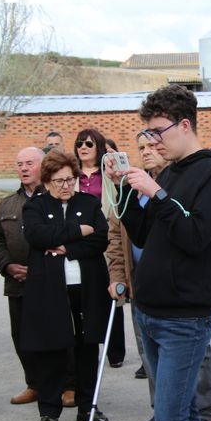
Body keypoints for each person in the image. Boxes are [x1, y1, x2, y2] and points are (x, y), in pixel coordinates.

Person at [106, 84, 211, 421]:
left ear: (184, 125)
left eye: (158, 131)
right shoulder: (171, 171)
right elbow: (144, 232)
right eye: (147, 134)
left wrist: (156, 192)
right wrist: (125, 188)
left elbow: (194, 236)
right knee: (183, 416)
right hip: (150, 311)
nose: (153, 141)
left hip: (185, 316)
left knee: (170, 418)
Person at [21, 149, 111, 421]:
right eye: (59, 181)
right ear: (47, 181)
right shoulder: (35, 206)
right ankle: (49, 410)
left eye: (70, 179)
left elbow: (100, 238)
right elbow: (36, 235)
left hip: (86, 287)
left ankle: (88, 406)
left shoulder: (88, 203)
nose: (65, 186)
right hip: (50, 288)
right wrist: (78, 231)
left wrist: (66, 248)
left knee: (87, 347)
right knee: (52, 348)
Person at [0, 146, 45, 405]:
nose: (23, 168)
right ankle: (34, 384)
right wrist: (8, 266)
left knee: (56, 334)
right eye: (20, 164)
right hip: (17, 283)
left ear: (43, 165)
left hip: (48, 281)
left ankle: (68, 384)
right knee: (22, 337)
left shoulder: (54, 199)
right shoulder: (7, 204)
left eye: (29, 163)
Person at [74, 128, 125, 368]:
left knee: (112, 292)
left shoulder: (107, 173)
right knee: (86, 296)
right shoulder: (72, 175)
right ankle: (89, 347)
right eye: (79, 144)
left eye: (89, 144)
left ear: (100, 147)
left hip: (107, 238)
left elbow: (120, 198)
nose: (83, 148)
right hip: (79, 241)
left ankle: (115, 351)